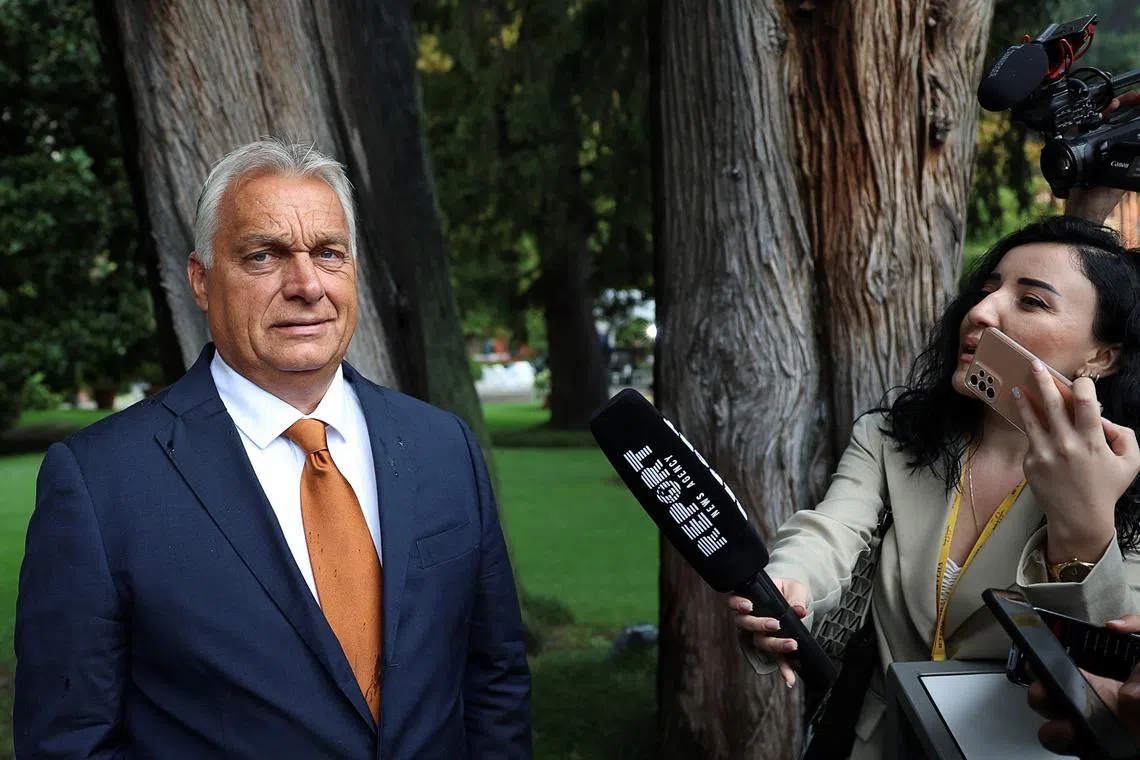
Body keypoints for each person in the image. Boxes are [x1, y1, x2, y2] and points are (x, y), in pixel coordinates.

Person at [14, 139, 532, 758]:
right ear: (202, 282)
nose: (306, 284)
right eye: (265, 255)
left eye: (328, 253)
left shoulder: (443, 448)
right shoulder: (101, 484)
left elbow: (493, 677)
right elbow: (71, 742)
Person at [730, 213, 1140, 759]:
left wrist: (1084, 523)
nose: (980, 311)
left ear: (1102, 355)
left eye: (1032, 301)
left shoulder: (1128, 483)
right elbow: (829, 531)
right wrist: (787, 584)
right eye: (987, 289)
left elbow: (1107, 664)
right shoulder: (891, 438)